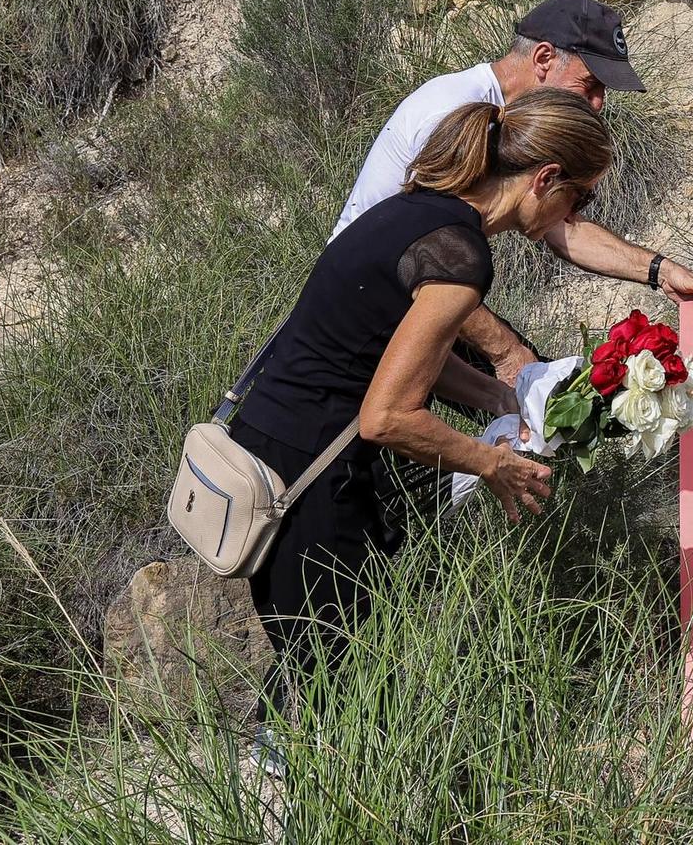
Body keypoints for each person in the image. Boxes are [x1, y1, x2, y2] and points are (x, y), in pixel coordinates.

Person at [231, 87, 606, 704]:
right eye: (581, 197)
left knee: (325, 661)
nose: (577, 215)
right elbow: (385, 416)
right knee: (338, 688)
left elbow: (403, 355)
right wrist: (493, 464)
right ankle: (298, 788)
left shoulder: (424, 211)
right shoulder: (462, 256)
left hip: (277, 444)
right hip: (310, 479)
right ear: (545, 179)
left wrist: (506, 400)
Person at [335, 0, 693, 388]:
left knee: (543, 400)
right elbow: (430, 255)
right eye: (590, 84)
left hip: (413, 292)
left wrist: (661, 271)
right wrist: (505, 352)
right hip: (364, 310)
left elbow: (561, 226)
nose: (598, 104)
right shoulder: (455, 114)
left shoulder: (513, 123)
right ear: (544, 59)